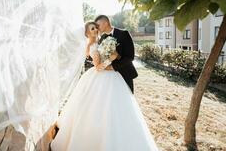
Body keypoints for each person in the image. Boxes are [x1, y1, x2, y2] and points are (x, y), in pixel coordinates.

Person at [50, 21, 158, 151]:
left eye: (96, 27)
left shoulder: (101, 40)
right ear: (87, 33)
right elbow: (98, 67)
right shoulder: (92, 45)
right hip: (99, 76)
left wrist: (114, 56)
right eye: (92, 29)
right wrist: (111, 59)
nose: (95, 30)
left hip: (112, 76)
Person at [95, 15, 138, 93]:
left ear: (106, 23)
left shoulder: (124, 34)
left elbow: (130, 57)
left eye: (98, 25)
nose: (97, 28)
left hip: (124, 73)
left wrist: (113, 67)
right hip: (108, 77)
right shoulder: (102, 38)